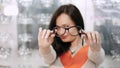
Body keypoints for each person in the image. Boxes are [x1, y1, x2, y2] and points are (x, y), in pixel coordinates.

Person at [38, 4, 105, 68]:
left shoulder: (91, 48)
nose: (61, 32)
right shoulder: (54, 49)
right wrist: (44, 48)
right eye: (58, 28)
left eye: (66, 27)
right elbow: (48, 59)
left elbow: (99, 57)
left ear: (78, 25)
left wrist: (95, 48)